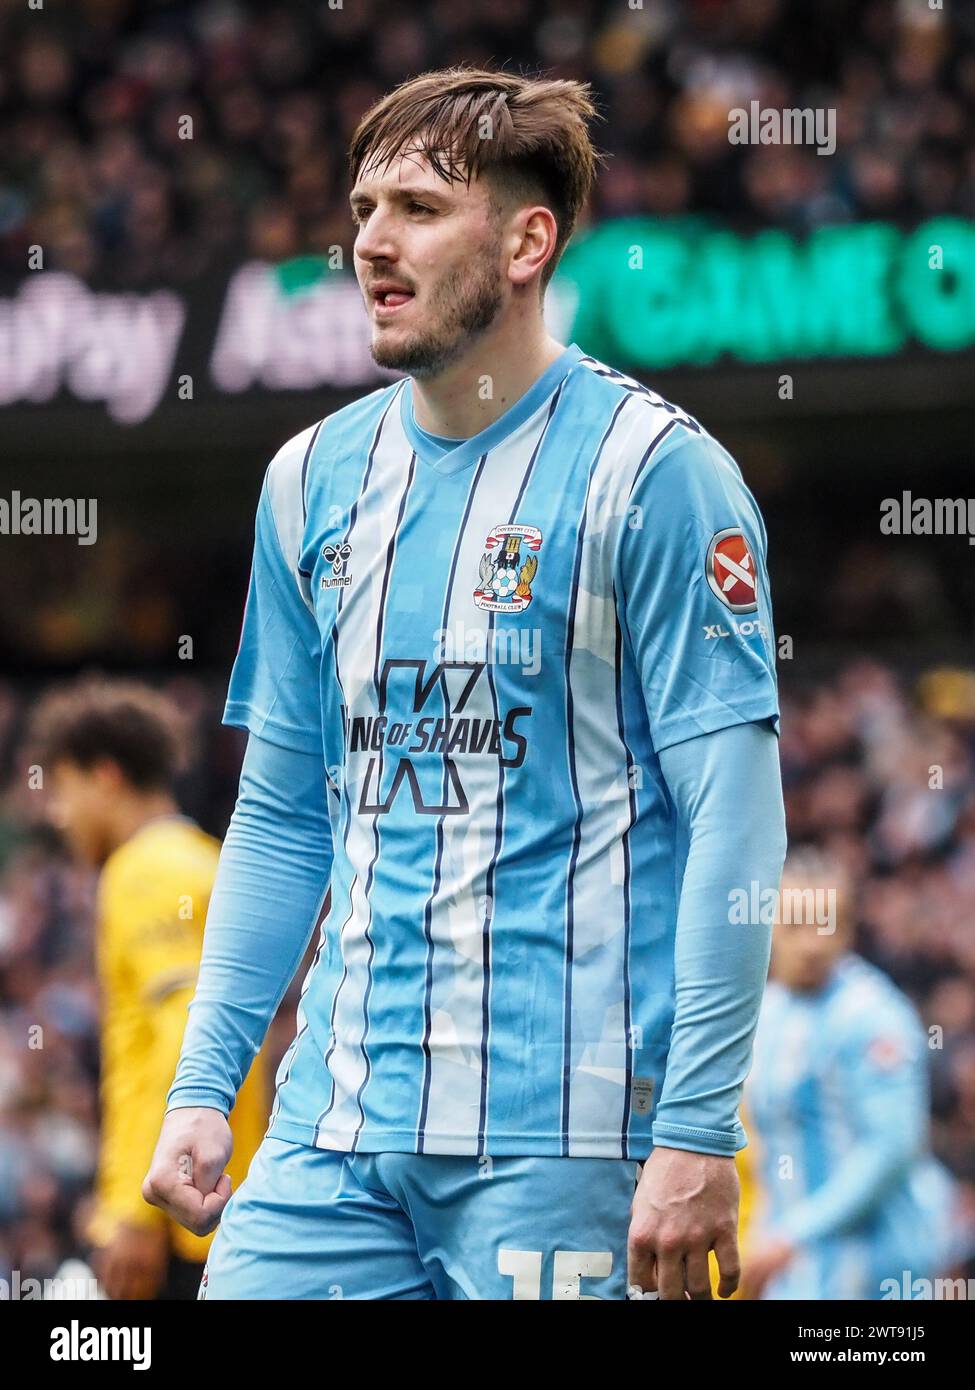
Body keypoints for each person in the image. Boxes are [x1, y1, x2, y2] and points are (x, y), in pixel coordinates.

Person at [145, 66, 787, 1301]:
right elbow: (283, 819)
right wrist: (202, 1086)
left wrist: (700, 1124)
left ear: (529, 239)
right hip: (331, 1136)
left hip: (569, 1141)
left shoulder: (655, 477)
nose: (372, 243)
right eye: (363, 207)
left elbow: (737, 820)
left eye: (420, 209)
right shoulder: (307, 482)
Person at [29, 679, 268, 1299]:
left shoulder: (146, 872)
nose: (56, 813)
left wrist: (137, 1211)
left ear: (104, 776)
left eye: (62, 790)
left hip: (181, 1223)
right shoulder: (199, 856)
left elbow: (185, 1035)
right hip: (209, 1212)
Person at [743, 849, 958, 1300]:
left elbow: (892, 1148)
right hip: (794, 1269)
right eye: (797, 926)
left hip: (875, 1269)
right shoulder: (767, 1014)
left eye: (828, 925)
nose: (813, 944)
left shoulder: (872, 1014)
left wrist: (793, 1232)